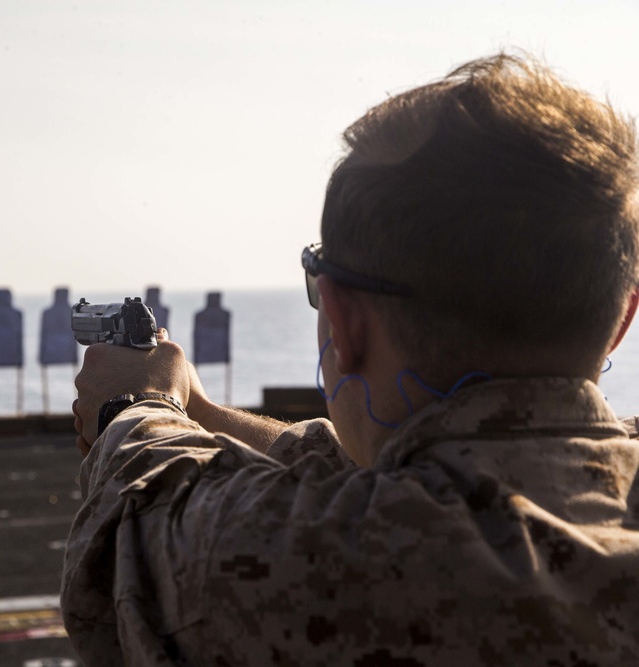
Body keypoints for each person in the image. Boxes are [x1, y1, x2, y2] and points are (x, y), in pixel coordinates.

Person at [63, 52, 639, 666]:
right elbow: (423, 464)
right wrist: (201, 410)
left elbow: (142, 538)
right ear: (619, 321)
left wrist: (134, 408)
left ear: (343, 317)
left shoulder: (346, 560)